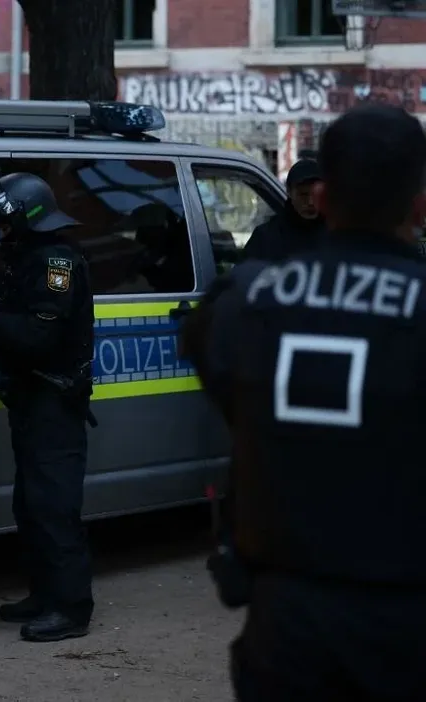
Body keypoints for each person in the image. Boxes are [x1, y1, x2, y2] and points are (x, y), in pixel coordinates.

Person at [180, 103, 426, 700]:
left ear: (324, 195)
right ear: (420, 201)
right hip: (404, 623)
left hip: (284, 626)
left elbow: (220, 370)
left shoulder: (242, 303)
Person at [0, 171, 95, 642]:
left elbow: (38, 335)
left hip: (53, 399)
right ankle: (45, 594)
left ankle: (70, 607)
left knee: (54, 506)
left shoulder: (57, 262)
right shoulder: (30, 257)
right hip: (31, 396)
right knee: (29, 504)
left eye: (4, 224)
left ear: (26, 218)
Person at [241, 158, 325, 262]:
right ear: (289, 192)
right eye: (303, 195)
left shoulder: (337, 235)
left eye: (315, 194)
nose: (310, 202)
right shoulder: (266, 237)